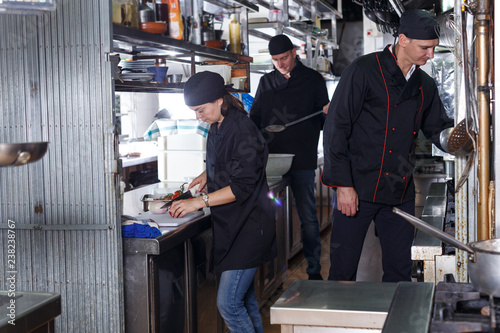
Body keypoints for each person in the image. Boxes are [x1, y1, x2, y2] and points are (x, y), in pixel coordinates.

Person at [322, 9, 454, 282]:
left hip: (399, 191)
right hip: (356, 189)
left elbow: (437, 129)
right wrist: (343, 187)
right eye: (425, 48)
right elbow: (336, 128)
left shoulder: (424, 85)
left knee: (400, 271)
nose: (430, 55)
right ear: (403, 39)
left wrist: (463, 138)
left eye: (433, 49)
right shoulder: (362, 71)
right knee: (342, 271)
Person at [169, 71, 276, 333]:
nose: (198, 116)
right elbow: (233, 163)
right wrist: (209, 174)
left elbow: (242, 185)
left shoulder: (242, 128)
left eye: (201, 109)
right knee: (245, 301)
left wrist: (199, 202)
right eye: (194, 111)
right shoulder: (218, 125)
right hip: (232, 226)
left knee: (228, 304)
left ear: (219, 100)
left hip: (249, 228)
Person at [250, 34, 330, 281]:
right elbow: (256, 119)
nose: (280, 64)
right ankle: (271, 271)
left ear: (294, 52)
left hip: (302, 158)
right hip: (271, 161)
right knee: (267, 215)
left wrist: (330, 112)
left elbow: (324, 121)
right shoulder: (266, 82)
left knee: (307, 215)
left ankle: (314, 269)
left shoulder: (314, 80)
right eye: (275, 60)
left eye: (283, 58)